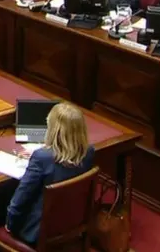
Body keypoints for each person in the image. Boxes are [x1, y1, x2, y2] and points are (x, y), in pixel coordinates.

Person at [5, 102, 95, 246]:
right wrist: (44, 151)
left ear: (54, 130)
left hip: (37, 233)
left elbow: (19, 201)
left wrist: (9, 225)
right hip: (73, 221)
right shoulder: (88, 152)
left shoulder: (42, 159)